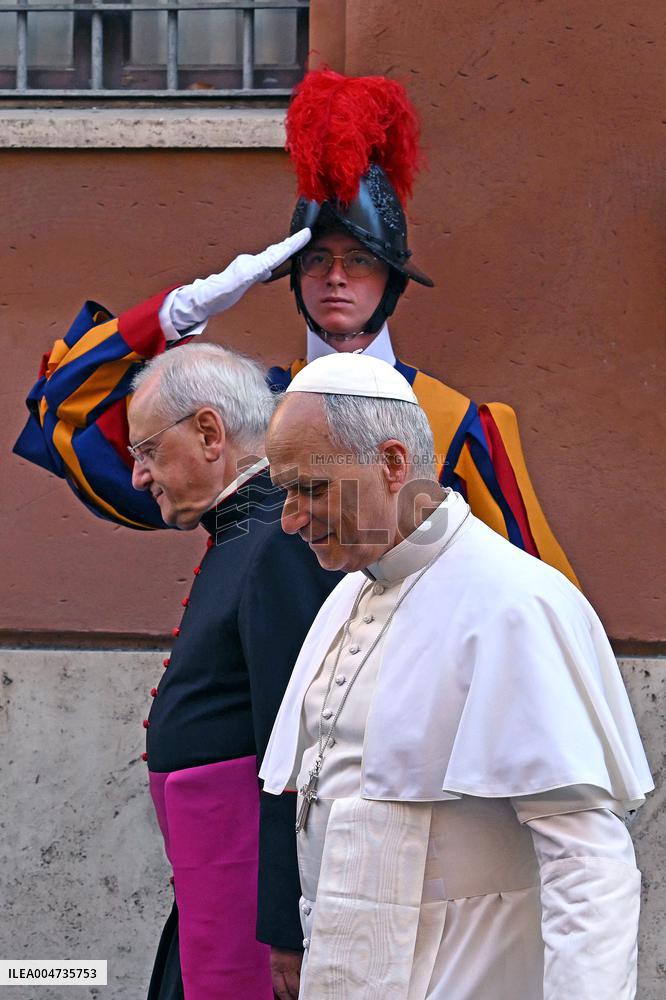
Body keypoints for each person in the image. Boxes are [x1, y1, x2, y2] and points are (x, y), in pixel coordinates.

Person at [14, 69, 578, 586]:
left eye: (360, 260)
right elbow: (65, 409)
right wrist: (182, 309)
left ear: (391, 279)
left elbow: (539, 589)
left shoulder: (457, 423)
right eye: (316, 260)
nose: (336, 277)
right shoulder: (257, 408)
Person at [259, 352, 653, 1000]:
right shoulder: (347, 595)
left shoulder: (515, 603)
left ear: (392, 464)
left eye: (312, 489)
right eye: (285, 492)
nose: (290, 520)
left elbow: (587, 865)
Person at [116, 344, 340, 997]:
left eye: (147, 452)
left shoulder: (276, 540)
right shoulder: (245, 530)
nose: (139, 477)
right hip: (215, 880)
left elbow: (297, 748)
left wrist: (287, 924)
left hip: (250, 900)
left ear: (210, 433)